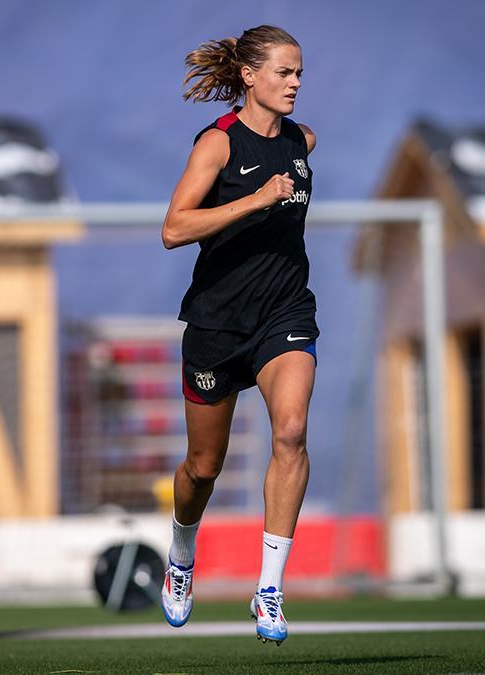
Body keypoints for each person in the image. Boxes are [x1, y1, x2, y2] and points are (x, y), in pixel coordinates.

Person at [159, 25, 316, 646]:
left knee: (293, 430)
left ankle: (270, 588)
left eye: (300, 73)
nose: (295, 83)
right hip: (216, 327)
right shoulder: (218, 144)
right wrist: (252, 201)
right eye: (284, 72)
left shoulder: (303, 142)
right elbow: (173, 229)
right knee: (203, 467)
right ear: (249, 75)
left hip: (285, 315)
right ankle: (180, 550)